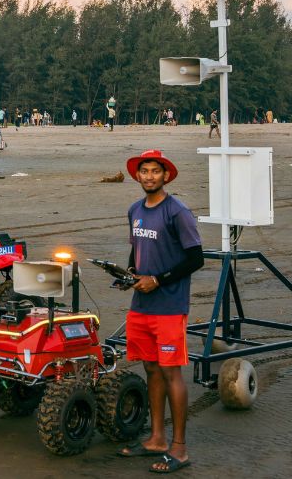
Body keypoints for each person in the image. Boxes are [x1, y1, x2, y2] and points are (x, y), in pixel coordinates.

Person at [115, 150, 202, 473]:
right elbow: (136, 250)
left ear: (166, 176)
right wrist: (129, 274)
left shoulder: (177, 212)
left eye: (155, 171)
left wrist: (158, 280)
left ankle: (179, 448)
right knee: (150, 370)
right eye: (144, 171)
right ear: (137, 176)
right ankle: (156, 438)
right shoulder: (135, 210)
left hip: (169, 306)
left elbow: (196, 258)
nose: (149, 176)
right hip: (141, 306)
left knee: (171, 372)